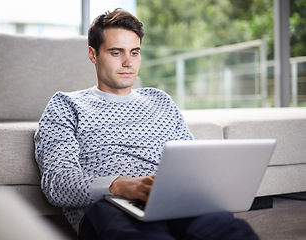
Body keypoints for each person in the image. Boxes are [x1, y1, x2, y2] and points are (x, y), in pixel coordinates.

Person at [35, 8, 259, 240]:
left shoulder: (160, 100)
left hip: (171, 200)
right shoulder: (66, 105)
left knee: (232, 231)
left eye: (134, 52)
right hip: (109, 205)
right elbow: (57, 184)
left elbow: (189, 166)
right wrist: (119, 186)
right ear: (93, 55)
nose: (127, 62)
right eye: (116, 52)